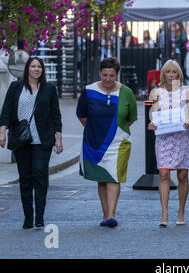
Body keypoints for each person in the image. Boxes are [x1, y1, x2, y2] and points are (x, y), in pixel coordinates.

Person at [0, 56, 63, 229]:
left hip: (42, 140)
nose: (36, 69)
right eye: (33, 66)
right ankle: (28, 217)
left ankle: (40, 216)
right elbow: (6, 110)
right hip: (21, 140)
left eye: (39, 67)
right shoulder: (16, 87)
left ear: (42, 70)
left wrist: (59, 139)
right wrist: (2, 132)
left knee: (40, 176)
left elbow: (55, 115)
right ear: (27, 68)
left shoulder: (49, 89)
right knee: (25, 178)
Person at [76, 57, 137, 228]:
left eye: (111, 75)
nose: (108, 79)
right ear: (99, 73)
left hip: (119, 142)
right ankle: (105, 214)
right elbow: (81, 114)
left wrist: (116, 130)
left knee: (113, 176)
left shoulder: (126, 92)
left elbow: (131, 118)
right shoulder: (89, 91)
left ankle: (111, 215)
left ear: (117, 74)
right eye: (104, 75)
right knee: (101, 178)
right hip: (94, 141)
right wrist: (94, 129)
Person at [148, 60, 189, 227]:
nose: (171, 75)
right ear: (163, 74)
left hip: (181, 137)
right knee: (164, 174)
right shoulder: (157, 93)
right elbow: (154, 115)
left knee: (182, 175)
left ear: (179, 74)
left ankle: (181, 211)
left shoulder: (186, 91)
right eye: (168, 72)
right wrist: (151, 123)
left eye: (175, 72)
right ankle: (164, 213)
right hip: (164, 138)